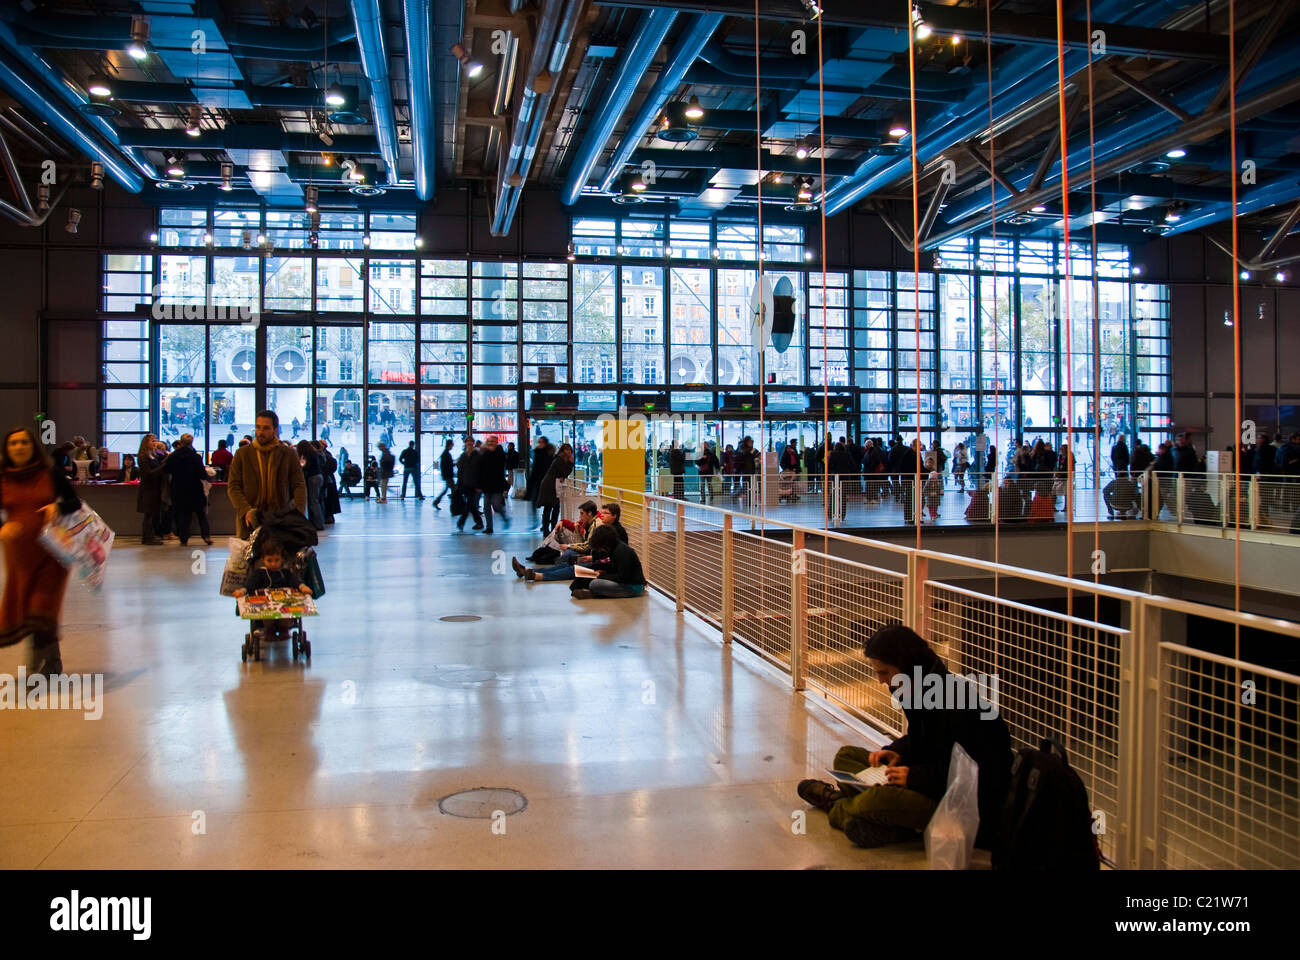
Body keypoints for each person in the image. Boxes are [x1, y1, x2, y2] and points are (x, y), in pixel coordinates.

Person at [796, 624, 1012, 849]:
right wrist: (897, 751)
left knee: (876, 801)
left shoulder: (958, 704)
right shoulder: (917, 688)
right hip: (927, 776)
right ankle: (884, 820)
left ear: (907, 666)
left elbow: (972, 776)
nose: (880, 681)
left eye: (884, 672)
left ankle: (838, 805)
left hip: (954, 802)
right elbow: (922, 739)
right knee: (847, 756)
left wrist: (913, 777)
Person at [0, 426, 84, 674]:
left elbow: (74, 502)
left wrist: (57, 508)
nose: (19, 447)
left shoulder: (50, 473)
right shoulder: (3, 477)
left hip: (52, 553)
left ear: (32, 446)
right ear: (7, 449)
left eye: (24, 442)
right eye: (13, 443)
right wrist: (3, 525)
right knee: (29, 610)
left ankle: (33, 667)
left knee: (41, 607)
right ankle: (53, 661)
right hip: (20, 558)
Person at [227, 410, 308, 540]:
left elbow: (299, 485)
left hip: (280, 519)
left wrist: (299, 512)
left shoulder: (288, 454)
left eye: (266, 428)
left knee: (278, 559)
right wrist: (246, 510)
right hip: (250, 521)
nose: (260, 432)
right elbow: (233, 486)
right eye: (258, 427)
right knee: (249, 559)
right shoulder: (242, 454)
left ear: (275, 430)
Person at [569, 523, 646, 599]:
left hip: (633, 587)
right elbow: (613, 568)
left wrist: (602, 576)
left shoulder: (622, 551)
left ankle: (595, 595)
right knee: (591, 577)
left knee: (595, 584)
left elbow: (623, 578)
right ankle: (598, 592)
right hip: (625, 582)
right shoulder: (614, 549)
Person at [165, 433, 213, 545]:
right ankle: (206, 536)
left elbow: (167, 470)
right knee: (201, 515)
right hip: (195, 489)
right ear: (191, 443)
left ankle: (184, 538)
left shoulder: (173, 456)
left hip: (179, 489)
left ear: (180, 442)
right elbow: (202, 474)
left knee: (183, 516)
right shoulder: (195, 457)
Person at [535, 442, 574, 535]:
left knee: (555, 507)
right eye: (566, 449)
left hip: (555, 485)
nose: (568, 452)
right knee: (550, 507)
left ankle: (552, 528)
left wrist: (569, 465)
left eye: (569, 449)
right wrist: (570, 464)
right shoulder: (559, 459)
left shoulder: (564, 460)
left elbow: (564, 474)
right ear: (562, 450)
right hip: (549, 485)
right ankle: (547, 529)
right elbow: (564, 472)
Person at [136, 434, 167, 545]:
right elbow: (148, 473)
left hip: (155, 488)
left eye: (155, 440)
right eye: (152, 441)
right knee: (148, 513)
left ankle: (150, 535)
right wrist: (163, 467)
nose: (155, 443)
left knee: (153, 513)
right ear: (146, 443)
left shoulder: (153, 455)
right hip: (148, 489)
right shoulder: (143, 457)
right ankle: (148, 537)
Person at [476, 435, 510, 533]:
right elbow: (481, 470)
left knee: (496, 506)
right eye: (489, 442)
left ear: (496, 443)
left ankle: (505, 518)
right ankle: (489, 527)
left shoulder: (500, 454)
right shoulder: (484, 454)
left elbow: (500, 469)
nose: (491, 444)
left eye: (493, 442)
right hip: (486, 485)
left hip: (496, 485)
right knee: (486, 507)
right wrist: (479, 485)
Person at [526, 436, 556, 527]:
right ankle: (537, 521)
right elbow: (535, 469)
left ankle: (545, 523)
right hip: (537, 482)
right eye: (539, 442)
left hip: (547, 482)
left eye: (542, 442)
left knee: (547, 504)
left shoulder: (550, 455)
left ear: (546, 443)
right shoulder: (537, 453)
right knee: (534, 501)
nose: (540, 444)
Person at [454, 442, 483, 531]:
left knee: (469, 503)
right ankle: (479, 522)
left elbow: (480, 471)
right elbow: (460, 471)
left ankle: (461, 522)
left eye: (470, 444)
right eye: (467, 444)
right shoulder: (463, 456)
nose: (469, 446)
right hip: (465, 484)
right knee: (471, 505)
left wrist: (479, 485)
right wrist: (459, 484)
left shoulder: (477, 456)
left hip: (473, 484)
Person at [297, 440, 325, 531]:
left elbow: (305, 467)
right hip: (318, 477)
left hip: (312, 478)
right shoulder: (314, 454)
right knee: (316, 501)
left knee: (313, 501)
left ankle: (317, 524)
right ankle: (318, 523)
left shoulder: (307, 456)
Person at [432, 439, 455, 509]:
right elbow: (447, 465)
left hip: (447, 475)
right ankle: (454, 506)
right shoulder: (446, 454)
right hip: (448, 475)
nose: (452, 447)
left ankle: (436, 502)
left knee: (447, 490)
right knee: (454, 490)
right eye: (452, 445)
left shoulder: (445, 453)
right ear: (450, 445)